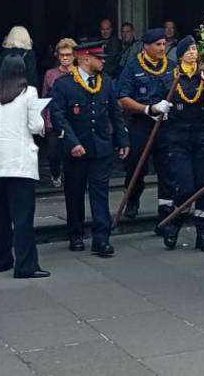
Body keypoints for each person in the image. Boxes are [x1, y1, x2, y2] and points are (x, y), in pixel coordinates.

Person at [49, 51, 130, 257]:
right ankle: (75, 233)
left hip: (100, 147)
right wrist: (71, 143)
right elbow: (58, 116)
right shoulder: (64, 84)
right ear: (85, 59)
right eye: (98, 58)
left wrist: (122, 140)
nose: (103, 61)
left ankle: (101, 237)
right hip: (76, 149)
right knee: (74, 192)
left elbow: (115, 112)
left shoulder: (106, 82)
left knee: (100, 193)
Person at [0, 54, 49, 279]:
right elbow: (35, 125)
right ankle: (25, 265)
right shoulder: (28, 93)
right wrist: (41, 125)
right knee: (22, 218)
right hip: (19, 163)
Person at [160, 37, 204, 251]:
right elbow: (162, 101)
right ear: (181, 54)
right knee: (184, 187)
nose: (194, 52)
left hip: (202, 136)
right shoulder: (172, 77)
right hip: (179, 138)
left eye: (196, 49)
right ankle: (175, 224)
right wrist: (160, 108)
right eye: (190, 49)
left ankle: (203, 233)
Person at [114, 28, 175, 223]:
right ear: (146, 46)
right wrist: (148, 109)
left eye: (164, 44)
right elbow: (122, 98)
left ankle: (165, 211)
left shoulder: (172, 66)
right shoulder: (132, 68)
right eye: (158, 44)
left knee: (167, 168)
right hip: (141, 123)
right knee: (136, 166)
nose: (162, 48)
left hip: (164, 125)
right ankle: (132, 199)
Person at [40, 38, 79, 187]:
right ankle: (55, 173)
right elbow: (44, 97)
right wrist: (42, 120)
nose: (65, 58)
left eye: (68, 54)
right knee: (52, 153)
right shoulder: (50, 74)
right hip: (52, 119)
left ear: (74, 55)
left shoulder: (79, 73)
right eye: (62, 54)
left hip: (73, 118)